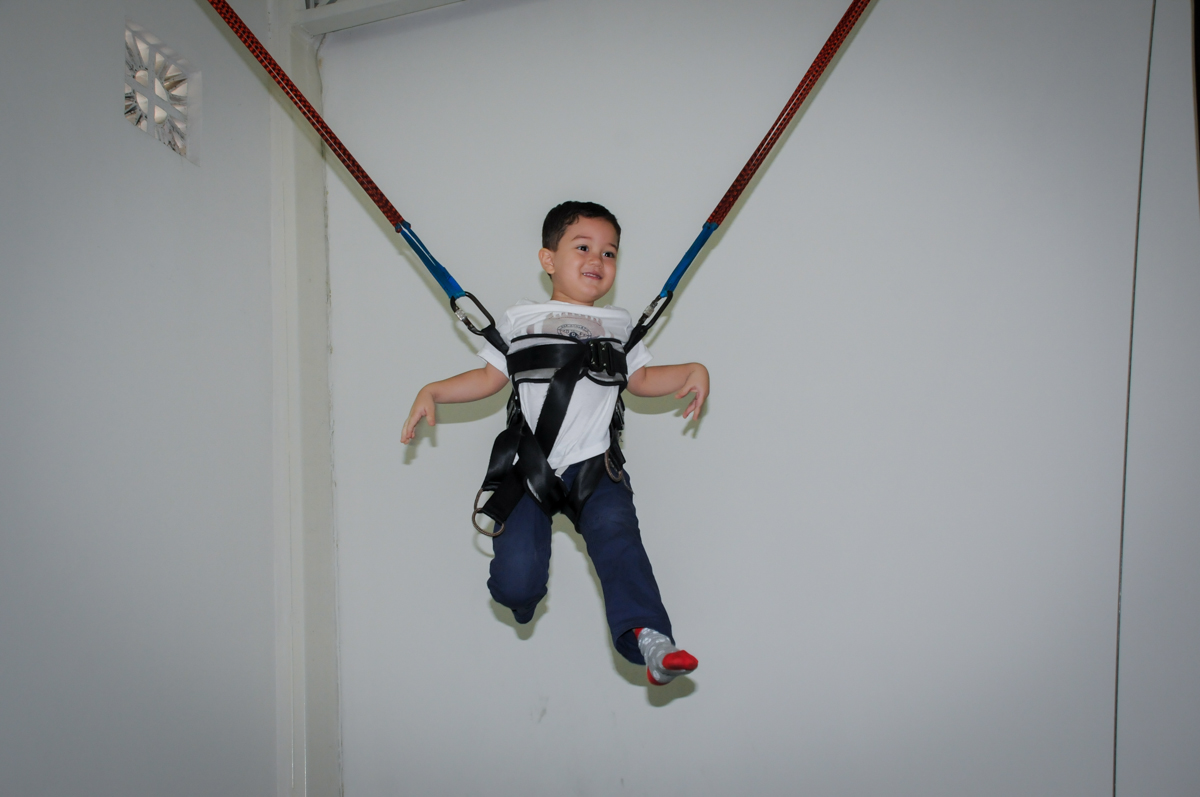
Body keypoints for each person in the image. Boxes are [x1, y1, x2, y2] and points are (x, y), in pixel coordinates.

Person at [401, 201, 708, 685]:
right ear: (548, 259)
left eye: (609, 253)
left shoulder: (619, 325)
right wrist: (433, 391)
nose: (597, 259)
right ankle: (520, 599)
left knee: (620, 545)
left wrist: (692, 371)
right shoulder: (521, 318)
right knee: (517, 582)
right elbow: (488, 378)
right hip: (531, 468)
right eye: (583, 247)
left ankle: (650, 640)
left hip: (595, 469)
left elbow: (643, 380)